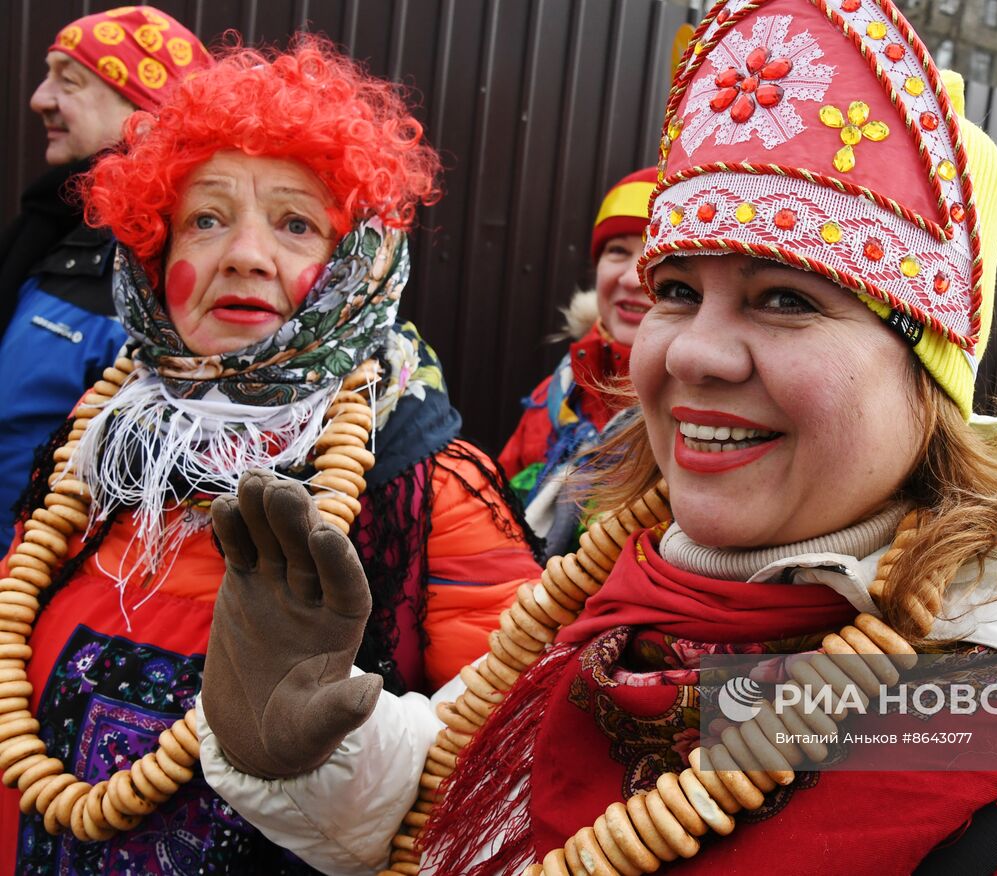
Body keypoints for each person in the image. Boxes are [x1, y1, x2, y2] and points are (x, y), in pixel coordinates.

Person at [196, 3, 997, 873]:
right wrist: (297, 740)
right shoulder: (618, 597)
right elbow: (448, 804)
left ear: (930, 377)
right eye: (675, 290)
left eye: (783, 299)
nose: (692, 352)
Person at [0, 38, 538, 872]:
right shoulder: (99, 442)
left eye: (295, 224)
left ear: (353, 266)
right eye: (207, 219)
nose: (246, 255)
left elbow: (515, 772)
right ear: (155, 251)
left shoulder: (429, 485)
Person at [0, 7, 212, 521]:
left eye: (67, 81)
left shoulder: (166, 265)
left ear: (145, 110)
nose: (38, 99)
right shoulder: (51, 226)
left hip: (45, 579)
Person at [499, 168, 654, 556]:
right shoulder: (558, 392)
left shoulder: (700, 416)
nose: (632, 279)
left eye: (655, 254)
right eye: (618, 251)